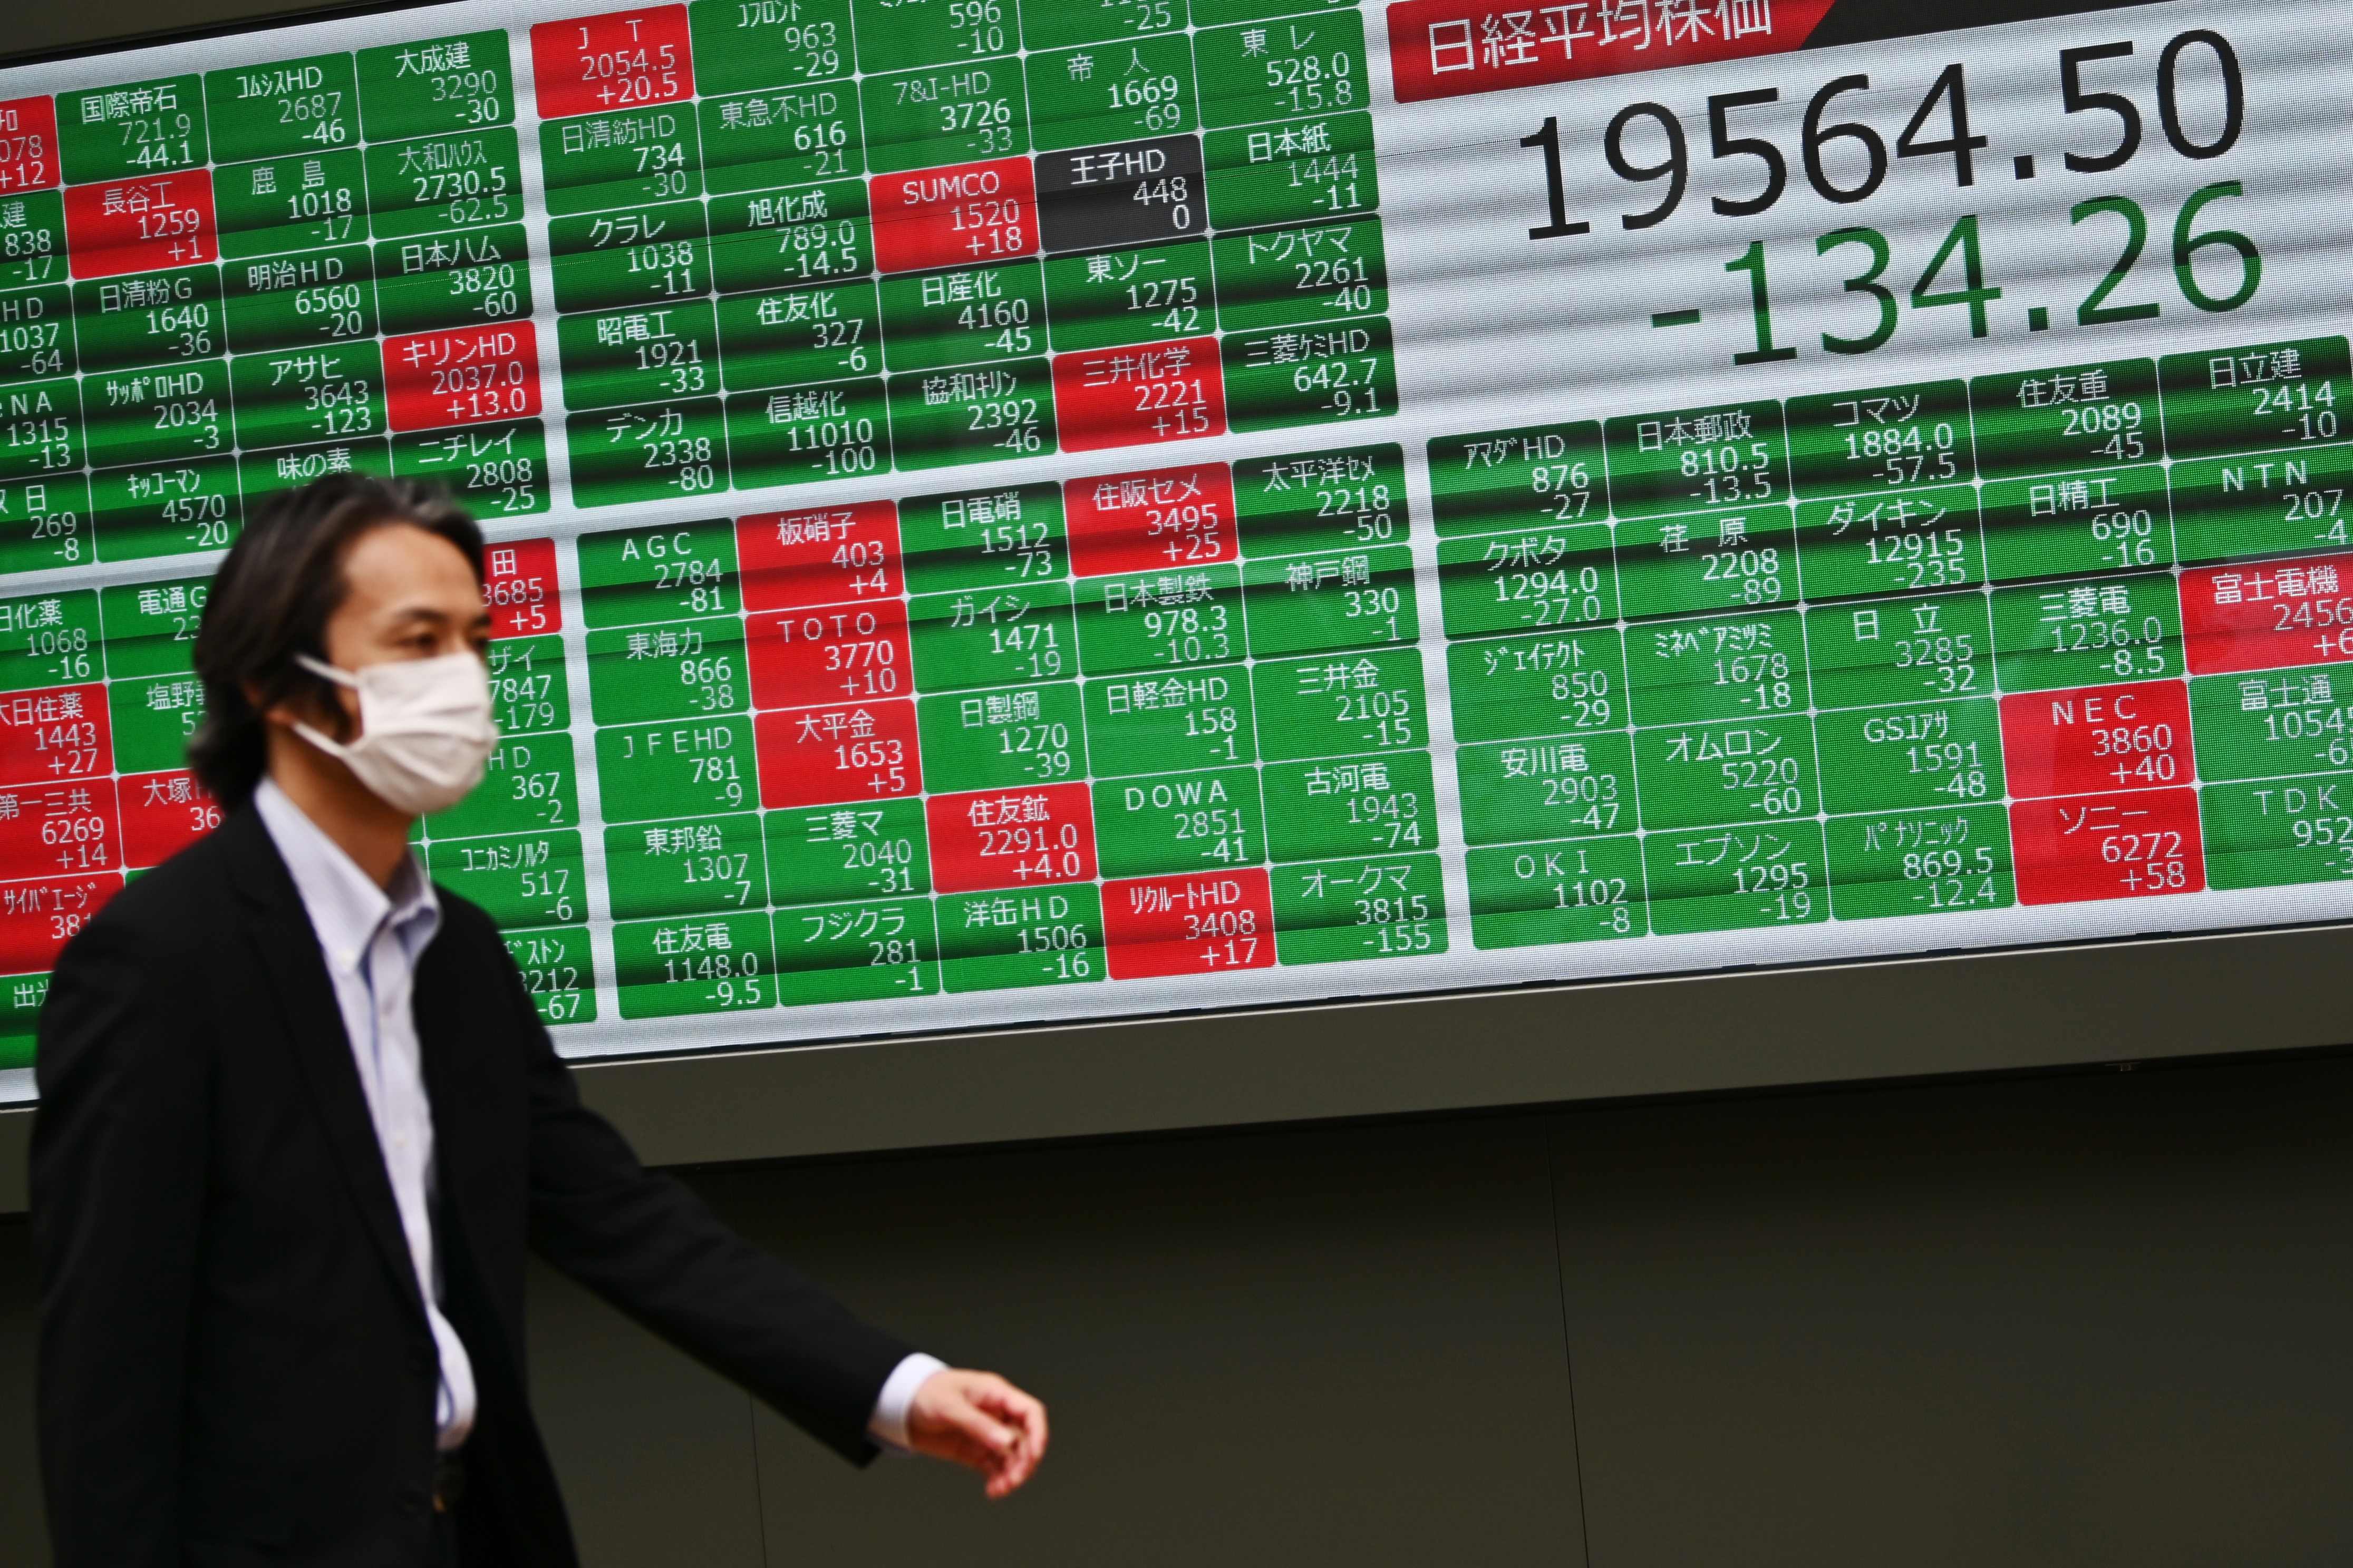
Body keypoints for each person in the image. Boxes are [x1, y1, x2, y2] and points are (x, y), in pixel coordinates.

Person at [31, 476, 1048, 1567]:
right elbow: (107, 1379)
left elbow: (619, 1218)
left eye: (474, 639)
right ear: (280, 686)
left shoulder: (454, 954)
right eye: (416, 642)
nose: (461, 680)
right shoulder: (160, 963)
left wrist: (898, 1389)